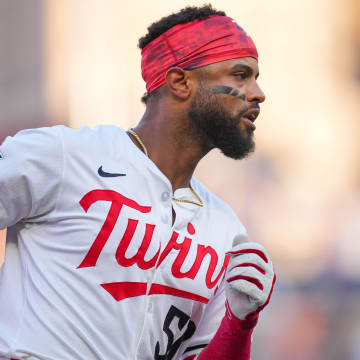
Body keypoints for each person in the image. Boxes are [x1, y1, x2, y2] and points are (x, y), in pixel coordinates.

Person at [0, 4, 275, 360]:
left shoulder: (227, 232)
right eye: (240, 75)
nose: (257, 93)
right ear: (180, 82)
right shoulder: (63, 155)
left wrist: (240, 322)